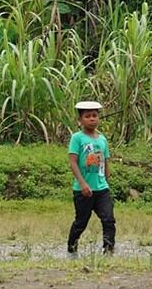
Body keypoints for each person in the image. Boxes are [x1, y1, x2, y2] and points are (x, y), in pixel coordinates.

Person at [67, 101, 115, 257]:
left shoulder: (102, 140)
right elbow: (73, 162)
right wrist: (82, 183)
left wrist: (106, 182)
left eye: (94, 115)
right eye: (87, 116)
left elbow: (106, 162)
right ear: (80, 120)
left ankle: (108, 250)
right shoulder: (77, 138)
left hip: (101, 189)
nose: (92, 119)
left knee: (108, 219)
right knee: (81, 222)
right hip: (83, 190)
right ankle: (72, 248)